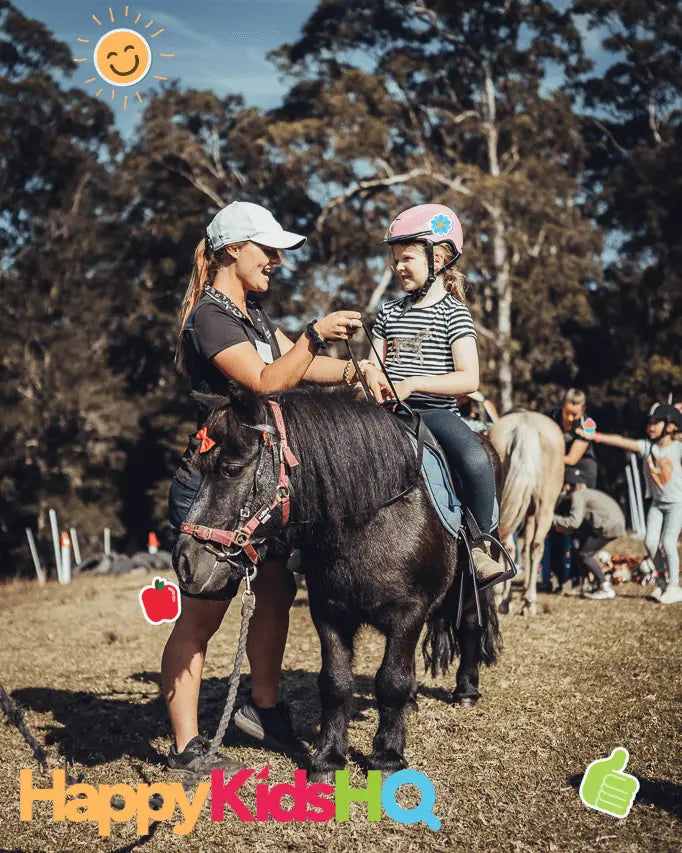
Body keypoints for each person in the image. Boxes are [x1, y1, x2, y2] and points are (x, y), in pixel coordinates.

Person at [164, 200, 390, 776]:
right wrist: (316, 333)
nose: (277, 262)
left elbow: (298, 365)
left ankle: (262, 707)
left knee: (275, 591)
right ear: (233, 250)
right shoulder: (210, 318)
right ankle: (188, 744)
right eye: (268, 250)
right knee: (202, 615)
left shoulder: (254, 315)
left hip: (261, 479)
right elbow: (268, 382)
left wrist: (355, 372)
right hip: (218, 480)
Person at [369, 203, 504, 585]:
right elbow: (374, 363)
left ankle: (480, 546)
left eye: (407, 258)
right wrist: (369, 373)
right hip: (387, 412)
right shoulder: (388, 312)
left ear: (438, 259)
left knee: (477, 459)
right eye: (396, 259)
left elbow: (469, 379)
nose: (398, 267)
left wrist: (413, 384)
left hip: (435, 412)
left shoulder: (453, 313)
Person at [577, 403, 682, 605]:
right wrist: (595, 436)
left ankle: (674, 586)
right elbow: (621, 441)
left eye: (655, 423)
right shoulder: (647, 447)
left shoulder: (678, 449)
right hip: (658, 504)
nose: (649, 426)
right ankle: (661, 582)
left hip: (677, 504)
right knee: (650, 543)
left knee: (668, 543)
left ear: (670, 426)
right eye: (649, 422)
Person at [552, 469, 626, 600]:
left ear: (567, 486)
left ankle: (605, 586)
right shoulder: (586, 493)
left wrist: (551, 519)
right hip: (612, 523)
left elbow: (574, 522)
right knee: (579, 547)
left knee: (585, 554)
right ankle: (587, 585)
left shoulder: (578, 495)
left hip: (608, 525)